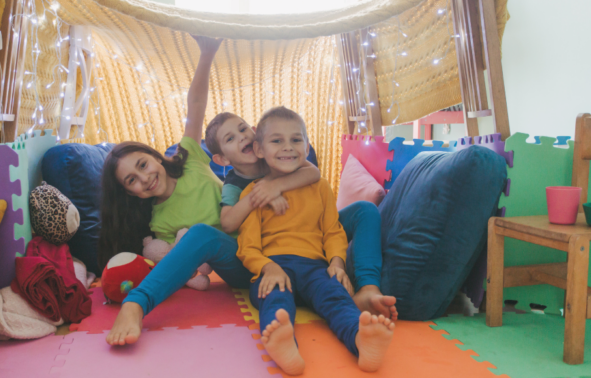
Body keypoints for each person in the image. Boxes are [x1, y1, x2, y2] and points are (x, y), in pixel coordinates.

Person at [103, 36, 394, 347]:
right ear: (222, 159)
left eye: (144, 165)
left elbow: (314, 172)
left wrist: (275, 185)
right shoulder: (227, 187)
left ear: (256, 138)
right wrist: (260, 193)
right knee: (199, 234)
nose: (144, 178)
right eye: (132, 180)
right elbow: (224, 227)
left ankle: (367, 288)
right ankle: (138, 303)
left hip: (303, 246)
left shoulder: (219, 159)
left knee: (364, 210)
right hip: (248, 257)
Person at [237, 106, 394, 374]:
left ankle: (361, 340)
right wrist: (268, 268)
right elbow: (247, 247)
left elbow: (332, 231)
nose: (288, 147)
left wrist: (337, 263)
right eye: (277, 140)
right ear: (259, 149)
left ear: (307, 146)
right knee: (274, 300)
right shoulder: (254, 193)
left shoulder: (320, 187)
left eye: (296, 140)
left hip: (315, 268)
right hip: (274, 267)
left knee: (337, 297)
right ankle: (284, 347)